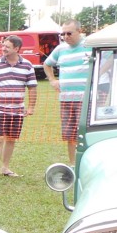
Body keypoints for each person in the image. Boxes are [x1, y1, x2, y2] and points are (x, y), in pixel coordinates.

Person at [0, 35, 38, 181]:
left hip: (17, 110)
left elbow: (32, 88)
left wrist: (31, 107)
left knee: (11, 139)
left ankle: (5, 167)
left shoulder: (27, 65)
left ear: (16, 49)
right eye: (3, 46)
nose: (3, 49)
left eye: (7, 47)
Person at [43, 19, 91, 164]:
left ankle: (87, 164)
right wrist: (52, 80)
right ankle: (73, 165)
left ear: (79, 31)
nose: (65, 37)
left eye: (69, 33)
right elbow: (47, 64)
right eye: (63, 34)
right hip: (66, 100)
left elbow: (108, 59)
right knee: (70, 135)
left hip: (86, 99)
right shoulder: (60, 49)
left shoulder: (91, 45)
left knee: (86, 134)